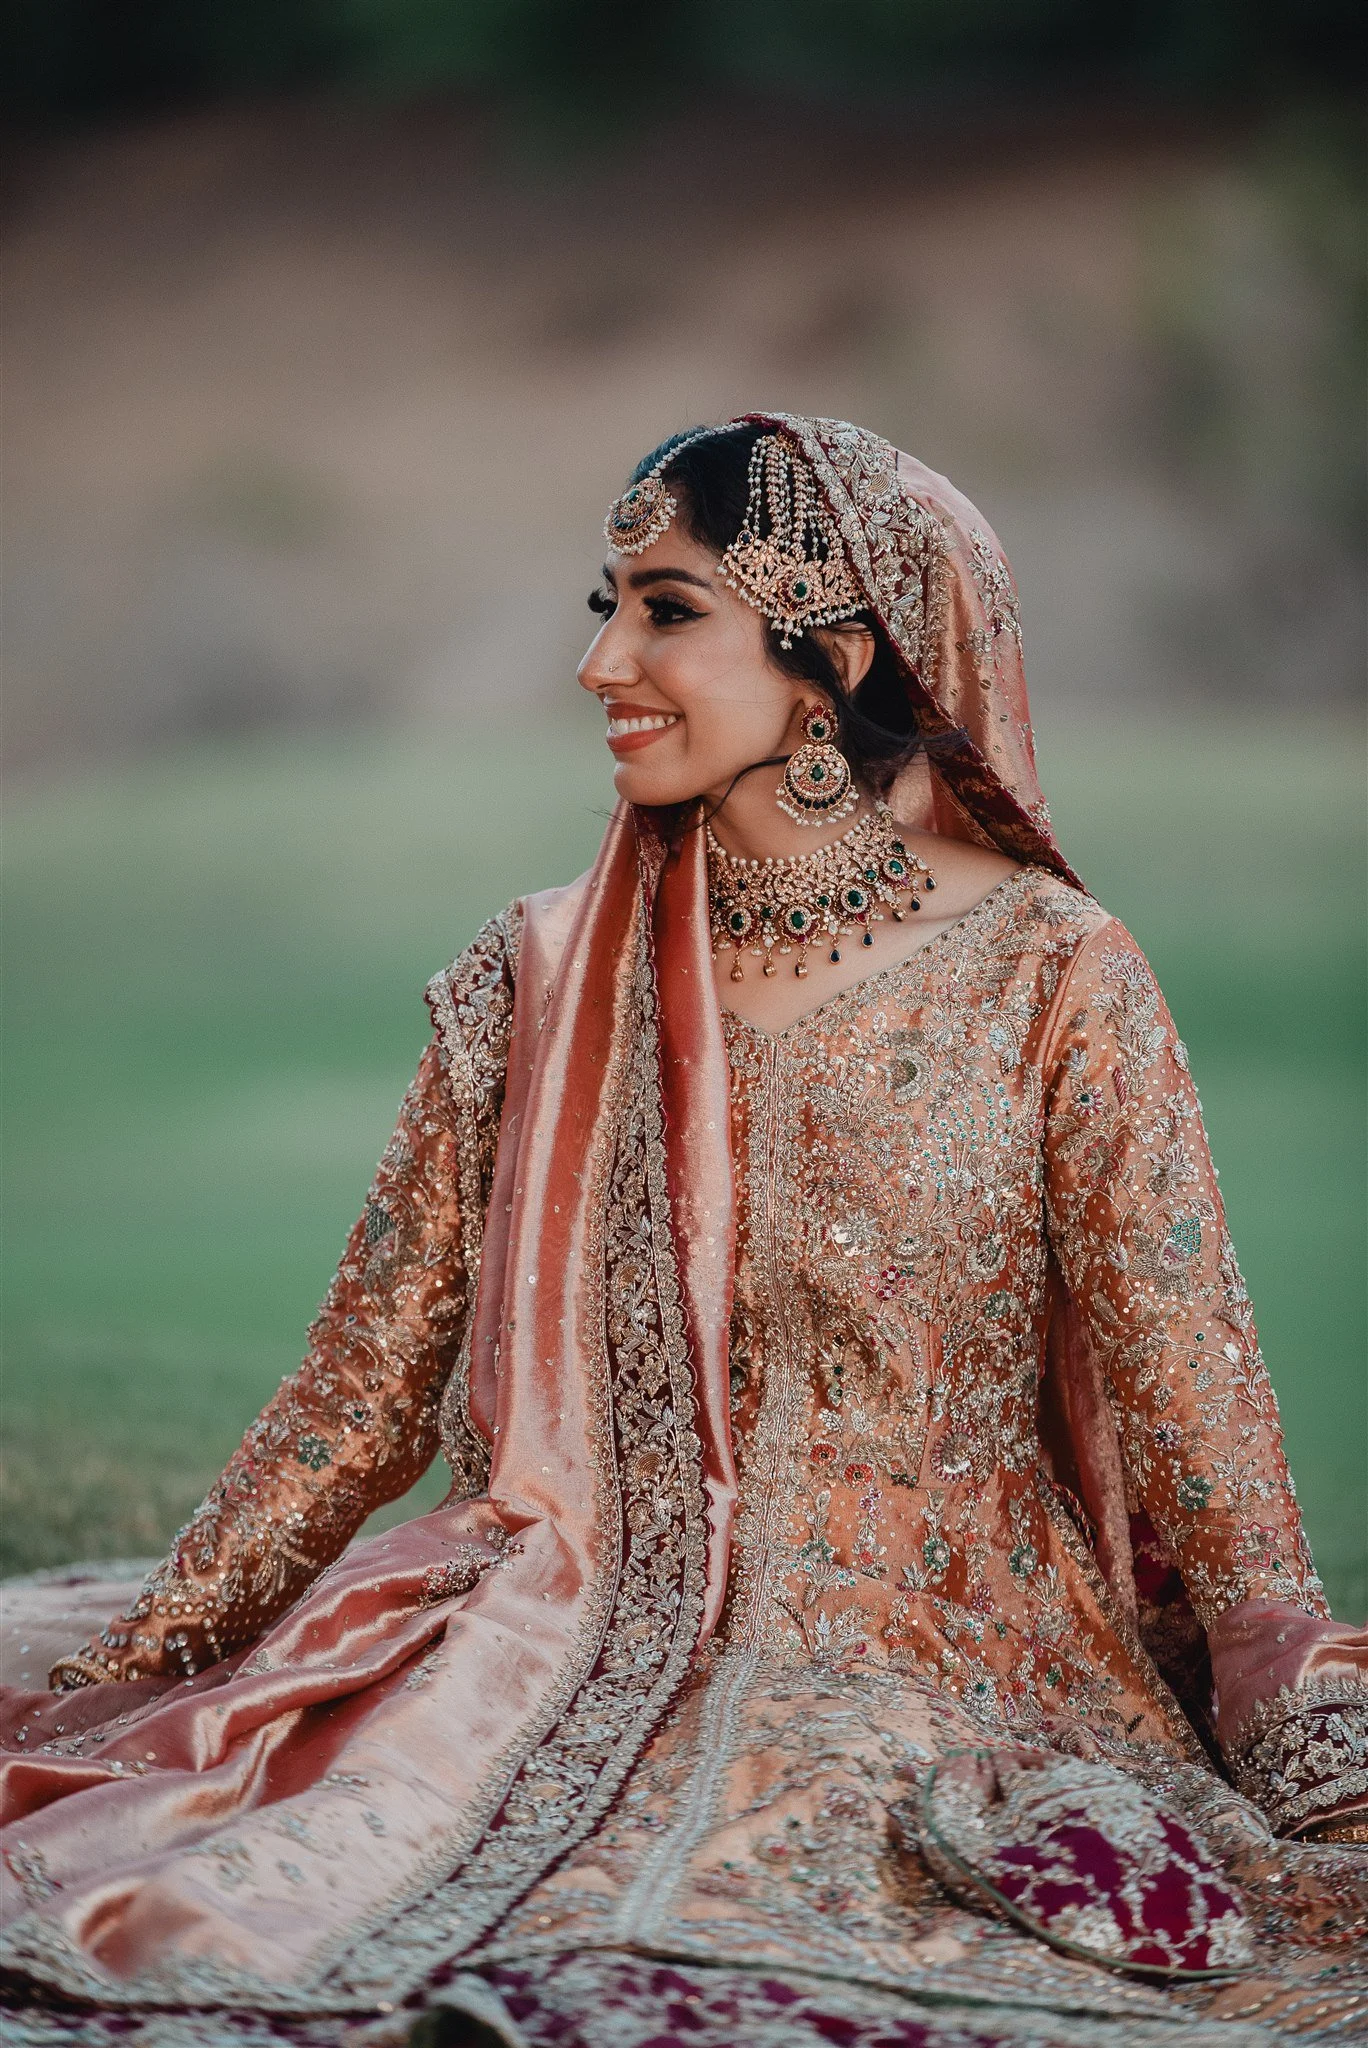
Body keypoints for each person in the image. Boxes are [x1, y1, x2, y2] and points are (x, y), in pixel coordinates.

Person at [1, 415, 1364, 2048]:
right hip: (564, 1625)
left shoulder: (1053, 974)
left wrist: (1309, 1743)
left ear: (829, 654)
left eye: (666, 609)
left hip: (965, 1661)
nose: (601, 662)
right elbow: (355, 1403)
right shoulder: (542, 977)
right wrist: (149, 1667)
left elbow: (1195, 1409)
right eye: (608, 601)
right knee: (291, 1869)